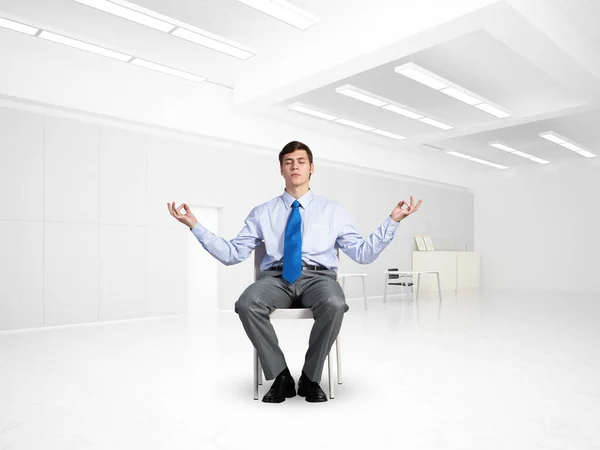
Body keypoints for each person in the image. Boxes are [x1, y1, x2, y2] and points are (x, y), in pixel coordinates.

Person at [167, 141, 422, 403]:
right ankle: (281, 376)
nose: (295, 166)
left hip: (319, 279)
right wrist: (194, 225)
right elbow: (233, 254)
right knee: (247, 303)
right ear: (281, 169)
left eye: (301, 161)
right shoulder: (262, 212)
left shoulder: (333, 211)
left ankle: (310, 378)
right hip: (276, 279)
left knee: (335, 303)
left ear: (312, 168)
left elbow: (363, 254)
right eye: (288, 162)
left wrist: (393, 221)